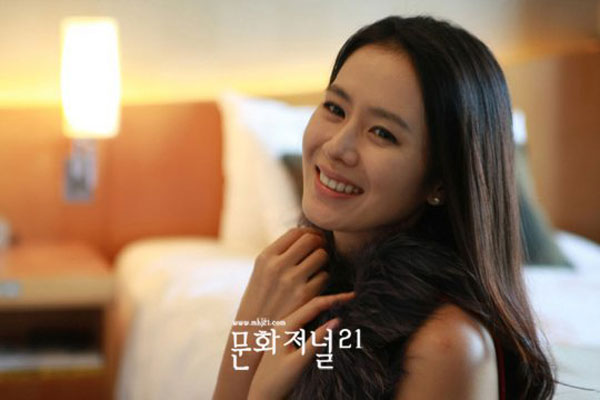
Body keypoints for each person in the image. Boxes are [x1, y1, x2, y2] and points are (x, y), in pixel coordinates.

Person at [213, 15, 556, 399]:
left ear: (440, 180)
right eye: (335, 109)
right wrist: (252, 317)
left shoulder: (445, 346)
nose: (337, 147)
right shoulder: (290, 277)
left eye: (382, 133)